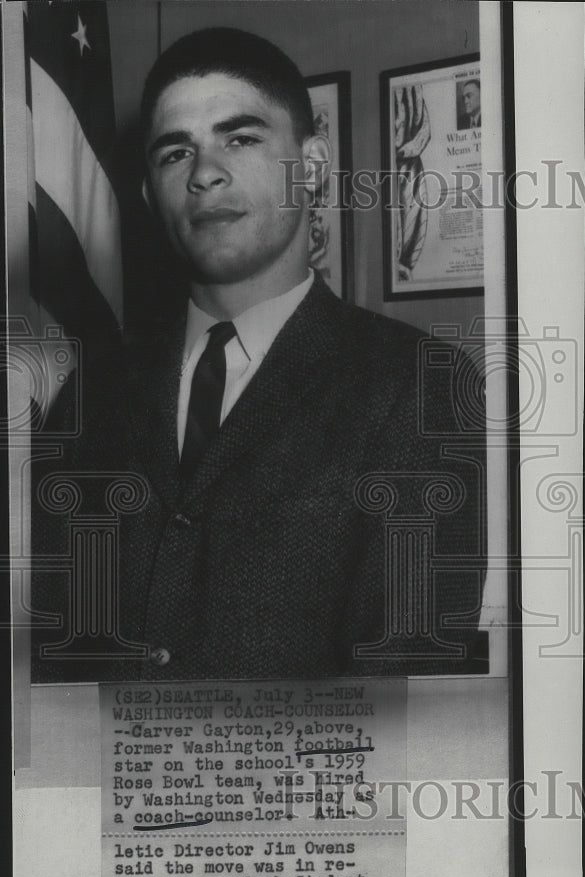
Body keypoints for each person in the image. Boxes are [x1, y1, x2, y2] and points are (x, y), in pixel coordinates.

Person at [31, 27, 486, 682]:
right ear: (145, 197)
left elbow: (400, 702)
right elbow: (48, 656)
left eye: (239, 139)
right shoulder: (91, 390)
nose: (204, 173)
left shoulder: (416, 386)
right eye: (173, 153)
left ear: (314, 166)